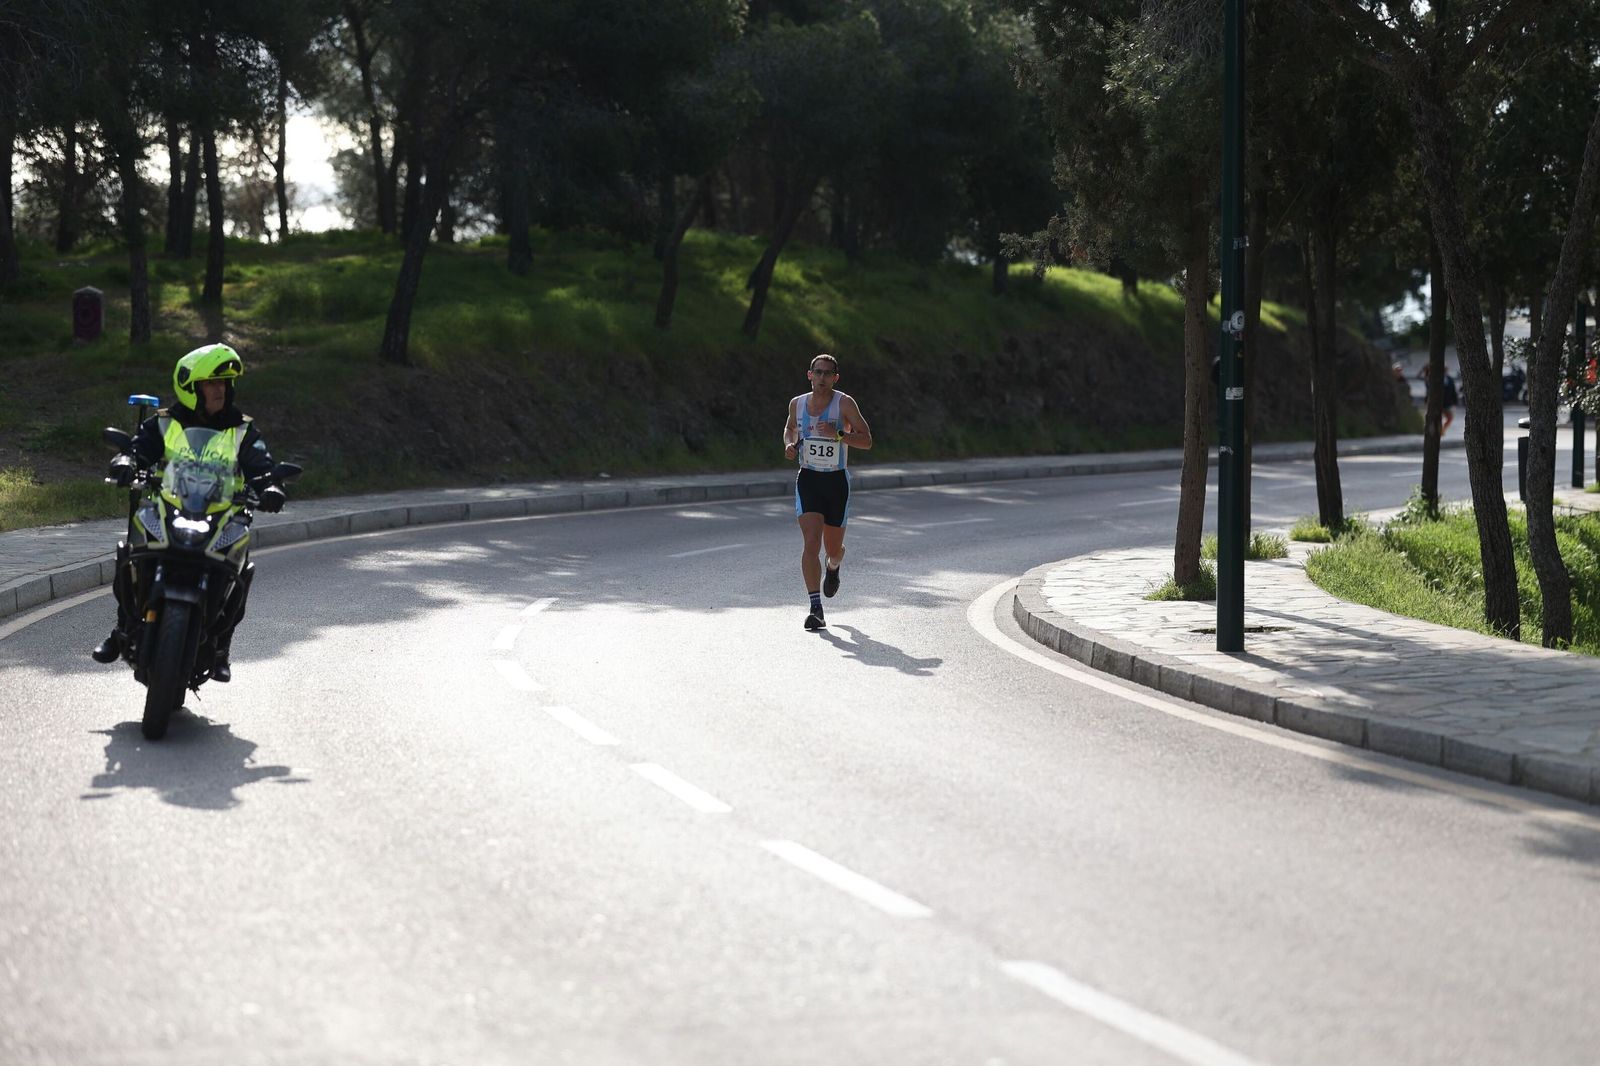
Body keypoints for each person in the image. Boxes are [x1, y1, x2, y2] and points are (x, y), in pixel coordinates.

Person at [92, 342, 283, 681]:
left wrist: (269, 485)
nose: (220, 389)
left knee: (239, 571)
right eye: (211, 382)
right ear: (191, 386)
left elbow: (259, 463)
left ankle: (222, 648)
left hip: (222, 515)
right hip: (169, 507)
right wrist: (127, 461)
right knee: (130, 558)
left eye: (223, 382)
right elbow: (140, 448)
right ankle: (121, 629)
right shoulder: (164, 423)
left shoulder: (242, 429)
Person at [783, 353, 872, 631]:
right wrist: (789, 443)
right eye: (817, 373)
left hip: (836, 483)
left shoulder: (844, 403)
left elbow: (867, 441)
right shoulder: (797, 404)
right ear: (809, 375)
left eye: (827, 374)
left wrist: (840, 435)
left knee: (832, 549)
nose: (822, 378)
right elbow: (789, 428)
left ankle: (833, 566)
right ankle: (816, 608)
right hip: (809, 479)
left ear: (836, 378)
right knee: (811, 543)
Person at [1416, 363, 1457, 436]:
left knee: (1449, 418)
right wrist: (1424, 370)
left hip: (1446, 403)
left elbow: (1453, 390)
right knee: (1437, 418)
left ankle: (1442, 431)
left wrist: (1454, 401)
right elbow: (1421, 379)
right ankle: (1436, 432)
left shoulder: (1449, 379)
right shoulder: (1432, 378)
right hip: (1436, 403)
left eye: (1445, 370)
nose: (1445, 371)